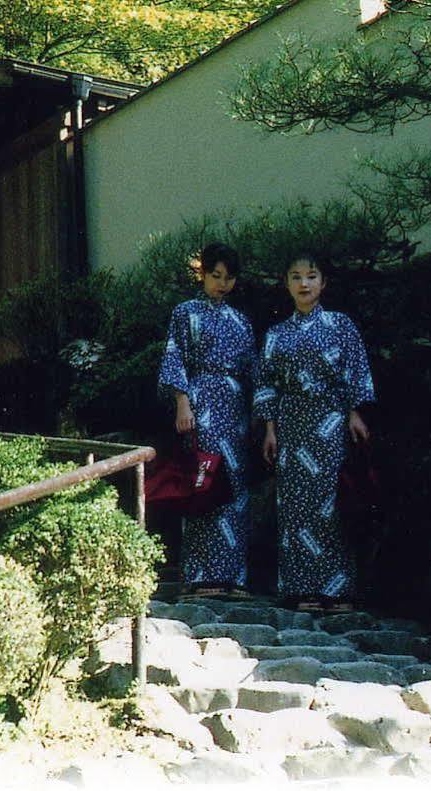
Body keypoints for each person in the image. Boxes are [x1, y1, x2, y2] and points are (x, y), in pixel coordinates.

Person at [254, 252, 374, 613]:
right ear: (286, 283)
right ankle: (301, 590)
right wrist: (269, 430)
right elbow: (266, 383)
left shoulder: (341, 325)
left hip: (331, 421)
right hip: (291, 423)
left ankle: (338, 591)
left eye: (311, 276)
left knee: (332, 503)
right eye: (296, 277)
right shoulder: (276, 334)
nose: (304, 284)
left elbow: (355, 368)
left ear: (323, 282)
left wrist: (355, 412)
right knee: (295, 506)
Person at [157, 242, 256, 600]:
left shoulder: (241, 319)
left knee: (234, 487)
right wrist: (183, 403)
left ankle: (234, 577)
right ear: (203, 274)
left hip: (235, 407)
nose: (222, 284)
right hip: (201, 401)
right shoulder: (185, 313)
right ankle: (200, 575)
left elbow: (252, 370)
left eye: (229, 278)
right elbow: (174, 358)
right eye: (216, 276)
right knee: (202, 481)